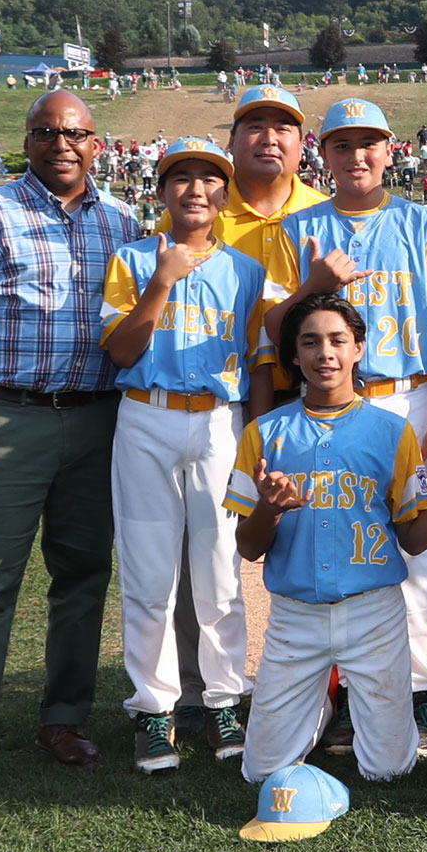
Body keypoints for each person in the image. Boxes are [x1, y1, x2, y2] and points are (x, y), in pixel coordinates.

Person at [0, 88, 141, 813]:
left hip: (97, 420)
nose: (62, 144)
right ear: (28, 138)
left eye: (75, 133)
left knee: (82, 577)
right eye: (47, 132)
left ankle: (63, 720)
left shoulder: (124, 221)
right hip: (7, 418)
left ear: (96, 143)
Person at [261, 98, 427, 756]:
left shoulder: (423, 223)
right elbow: (271, 330)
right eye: (343, 144)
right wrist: (312, 287)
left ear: (390, 151)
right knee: (342, 542)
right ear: (324, 154)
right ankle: (353, 695)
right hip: (324, 405)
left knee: (419, 557)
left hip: (405, 397)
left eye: (369, 144)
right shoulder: (298, 228)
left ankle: (422, 693)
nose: (356, 156)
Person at [227, 292, 427, 784]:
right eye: (310, 342)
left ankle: (335, 704)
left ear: (357, 349)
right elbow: (248, 547)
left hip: (373, 611)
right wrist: (270, 508)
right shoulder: (263, 433)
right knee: (261, 771)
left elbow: (412, 540)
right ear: (294, 355)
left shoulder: (394, 431)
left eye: (337, 340)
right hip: (295, 616)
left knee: (389, 770)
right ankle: (326, 701)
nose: (324, 353)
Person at [158, 81, 325, 739]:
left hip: (315, 395)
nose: (268, 136)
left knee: (319, 534)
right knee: (204, 545)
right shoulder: (203, 214)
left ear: (301, 142)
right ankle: (202, 690)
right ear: (232, 142)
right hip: (225, 400)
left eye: (282, 125)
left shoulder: (325, 210)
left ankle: (320, 688)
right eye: (253, 124)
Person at [101, 138, 272, 773]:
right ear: (161, 191)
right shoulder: (133, 258)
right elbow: (119, 352)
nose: (195, 189)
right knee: (149, 577)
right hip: (145, 415)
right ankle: (154, 711)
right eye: (181, 178)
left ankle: (224, 700)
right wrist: (161, 283)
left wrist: (252, 438)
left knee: (222, 574)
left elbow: (259, 361)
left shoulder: (246, 270)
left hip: (219, 424)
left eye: (208, 178)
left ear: (225, 193)